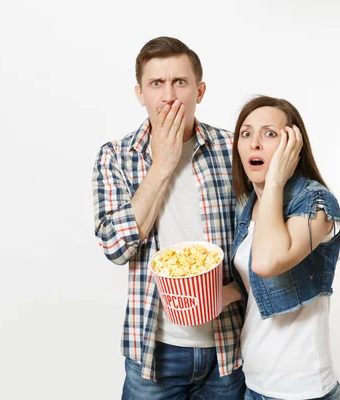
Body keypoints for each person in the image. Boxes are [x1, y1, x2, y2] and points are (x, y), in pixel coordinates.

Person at [92, 36, 245, 399]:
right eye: (156, 83)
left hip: (227, 350)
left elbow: (260, 239)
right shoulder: (116, 156)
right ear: (140, 93)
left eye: (180, 82)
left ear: (200, 90)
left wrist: (236, 289)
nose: (169, 95)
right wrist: (162, 163)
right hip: (154, 353)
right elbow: (115, 248)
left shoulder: (232, 149)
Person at [223, 95, 340, 400]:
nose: (254, 144)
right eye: (246, 133)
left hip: (301, 390)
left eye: (270, 134)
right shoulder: (247, 208)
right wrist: (223, 294)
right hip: (254, 382)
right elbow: (261, 283)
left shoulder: (316, 204)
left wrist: (275, 181)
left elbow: (267, 263)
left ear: (293, 145)